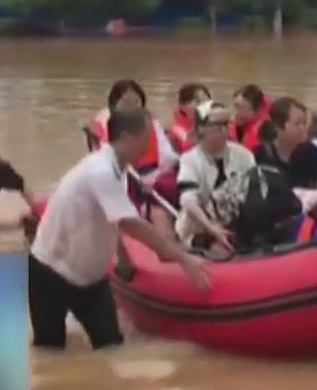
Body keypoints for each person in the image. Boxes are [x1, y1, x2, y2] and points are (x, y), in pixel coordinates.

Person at [29, 110, 210, 350]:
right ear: (126, 137)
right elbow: (129, 222)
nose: (150, 145)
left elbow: (112, 217)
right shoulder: (100, 171)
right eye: (147, 138)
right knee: (50, 351)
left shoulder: (119, 170)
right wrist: (181, 256)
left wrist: (123, 256)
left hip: (91, 277)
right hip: (51, 271)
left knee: (111, 348)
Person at [91, 79, 179, 237]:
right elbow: (108, 160)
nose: (131, 106)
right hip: (124, 178)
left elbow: (168, 157)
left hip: (153, 178)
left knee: (160, 200)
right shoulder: (107, 124)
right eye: (126, 102)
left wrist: (153, 180)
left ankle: (168, 243)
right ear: (114, 104)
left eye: (136, 102)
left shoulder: (151, 124)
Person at [176, 102, 258, 253]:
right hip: (200, 227)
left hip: (238, 224)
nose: (225, 130)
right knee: (220, 251)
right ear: (201, 129)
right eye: (218, 125)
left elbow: (255, 192)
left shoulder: (244, 155)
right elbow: (189, 201)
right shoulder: (190, 159)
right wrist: (212, 228)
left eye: (227, 125)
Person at [253, 98, 317, 194]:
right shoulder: (261, 155)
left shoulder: (311, 151)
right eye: (297, 124)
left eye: (304, 123)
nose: (303, 128)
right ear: (277, 126)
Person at [168, 83, 211, 154]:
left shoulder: (222, 124)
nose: (205, 106)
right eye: (198, 102)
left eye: (207, 101)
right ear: (182, 106)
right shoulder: (176, 131)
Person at [229, 84, 270, 152]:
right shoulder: (235, 124)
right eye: (235, 106)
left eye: (241, 108)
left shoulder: (265, 133)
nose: (235, 112)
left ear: (258, 110)